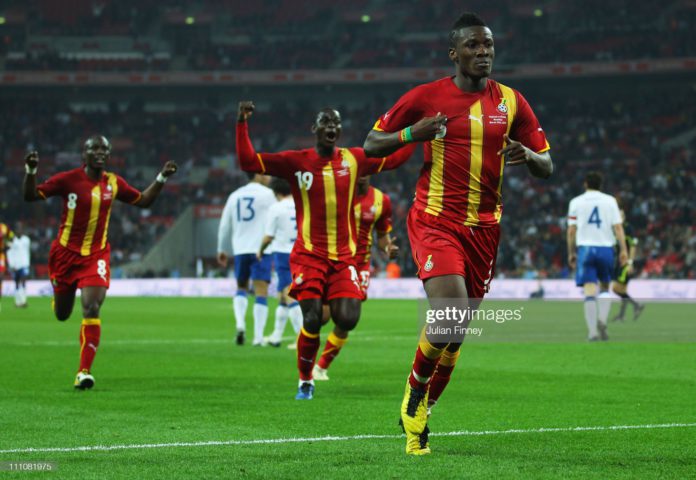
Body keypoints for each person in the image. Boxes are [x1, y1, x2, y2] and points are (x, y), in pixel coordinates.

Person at [362, 12, 553, 455]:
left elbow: (548, 166)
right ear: (455, 53)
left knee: (459, 329)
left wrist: (528, 153)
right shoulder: (427, 96)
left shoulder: (511, 102)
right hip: (435, 219)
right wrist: (412, 132)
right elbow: (372, 143)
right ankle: (414, 394)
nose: (483, 52)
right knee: (449, 311)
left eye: (488, 45)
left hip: (485, 229)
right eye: (473, 46)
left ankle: (423, 405)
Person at [237, 101, 415, 400]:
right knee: (311, 319)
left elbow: (395, 159)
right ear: (314, 129)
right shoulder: (296, 161)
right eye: (326, 123)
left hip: (344, 258)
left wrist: (414, 131)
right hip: (309, 255)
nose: (331, 127)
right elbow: (248, 161)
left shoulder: (354, 159)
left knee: (348, 319)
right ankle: (305, 379)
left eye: (336, 123)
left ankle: (318, 359)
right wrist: (242, 122)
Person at [22, 136, 177, 389]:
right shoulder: (67, 179)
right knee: (62, 314)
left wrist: (161, 177)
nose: (100, 152)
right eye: (94, 148)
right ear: (84, 154)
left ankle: (83, 372)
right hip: (64, 256)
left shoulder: (113, 183)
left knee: (92, 307)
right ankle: (59, 295)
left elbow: (143, 200)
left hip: (96, 256)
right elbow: (30, 196)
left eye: (104, 148)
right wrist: (31, 171)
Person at [312, 175, 398, 381]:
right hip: (334, 260)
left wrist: (388, 248)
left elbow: (382, 235)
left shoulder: (381, 200)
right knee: (321, 317)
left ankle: (321, 366)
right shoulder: (338, 194)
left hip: (359, 266)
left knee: (347, 318)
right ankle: (305, 357)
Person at [567, 172, 628, 341]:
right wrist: (624, 250)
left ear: (585, 184)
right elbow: (618, 228)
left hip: (585, 249)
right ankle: (602, 320)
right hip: (606, 248)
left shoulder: (576, 202)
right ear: (601, 185)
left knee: (589, 290)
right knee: (604, 288)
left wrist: (571, 253)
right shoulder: (610, 201)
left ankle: (593, 332)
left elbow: (571, 231)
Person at [217, 172, 275, 346]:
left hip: (240, 249)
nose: (269, 177)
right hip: (261, 249)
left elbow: (224, 224)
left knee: (241, 287)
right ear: (258, 175)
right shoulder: (268, 195)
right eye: (266, 174)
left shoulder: (235, 195)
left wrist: (221, 248)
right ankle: (258, 337)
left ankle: (240, 325)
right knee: (261, 291)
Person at [258, 178, 303, 347]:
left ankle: (301, 338)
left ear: (276, 192)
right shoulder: (301, 205)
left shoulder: (275, 208)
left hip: (283, 254)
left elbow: (269, 236)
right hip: (301, 252)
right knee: (282, 297)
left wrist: (260, 251)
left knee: (289, 293)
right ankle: (277, 336)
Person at [611, 208, 644, 321]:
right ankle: (622, 315)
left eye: (621, 215)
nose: (619, 217)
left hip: (625, 263)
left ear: (624, 217)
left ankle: (636, 305)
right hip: (617, 262)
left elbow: (633, 246)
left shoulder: (628, 228)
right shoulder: (614, 228)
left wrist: (630, 262)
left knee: (616, 288)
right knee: (622, 290)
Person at [7, 223, 31, 308]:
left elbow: (27, 252)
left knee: (23, 281)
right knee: (17, 283)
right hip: (15, 265)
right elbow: (9, 253)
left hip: (24, 264)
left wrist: (28, 263)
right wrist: (11, 264)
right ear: (15, 230)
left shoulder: (26, 240)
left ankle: (23, 301)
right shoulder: (12, 241)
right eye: (17, 229)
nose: (19, 230)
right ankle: (18, 302)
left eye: (20, 228)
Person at [0, 222, 15, 312]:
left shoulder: (3, 227)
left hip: (0, 256)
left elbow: (12, 237)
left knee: (0, 277)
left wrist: (7, 246)